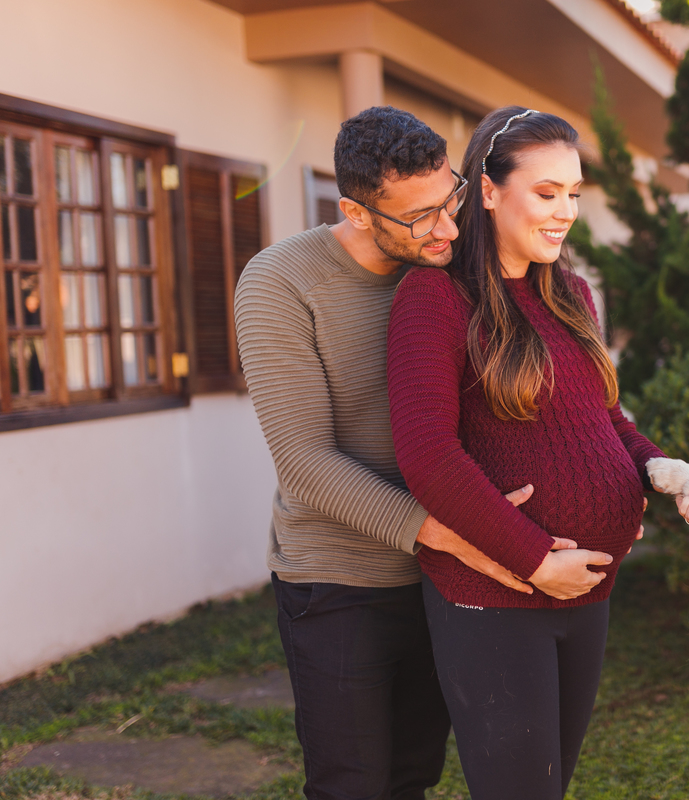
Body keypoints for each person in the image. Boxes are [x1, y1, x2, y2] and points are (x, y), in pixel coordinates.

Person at [233, 106, 546, 800]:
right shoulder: (280, 283)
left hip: (442, 578)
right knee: (354, 785)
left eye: (451, 200)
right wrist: (463, 536)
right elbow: (306, 465)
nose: (448, 228)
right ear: (356, 209)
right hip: (340, 582)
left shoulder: (457, 268)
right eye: (419, 217)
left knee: (412, 776)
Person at [386, 107, 670, 800]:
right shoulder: (435, 297)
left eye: (574, 193)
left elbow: (607, 421)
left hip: (587, 593)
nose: (565, 211)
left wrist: (662, 474)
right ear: (488, 190)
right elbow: (427, 454)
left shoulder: (571, 294)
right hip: (496, 598)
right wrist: (536, 558)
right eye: (546, 194)